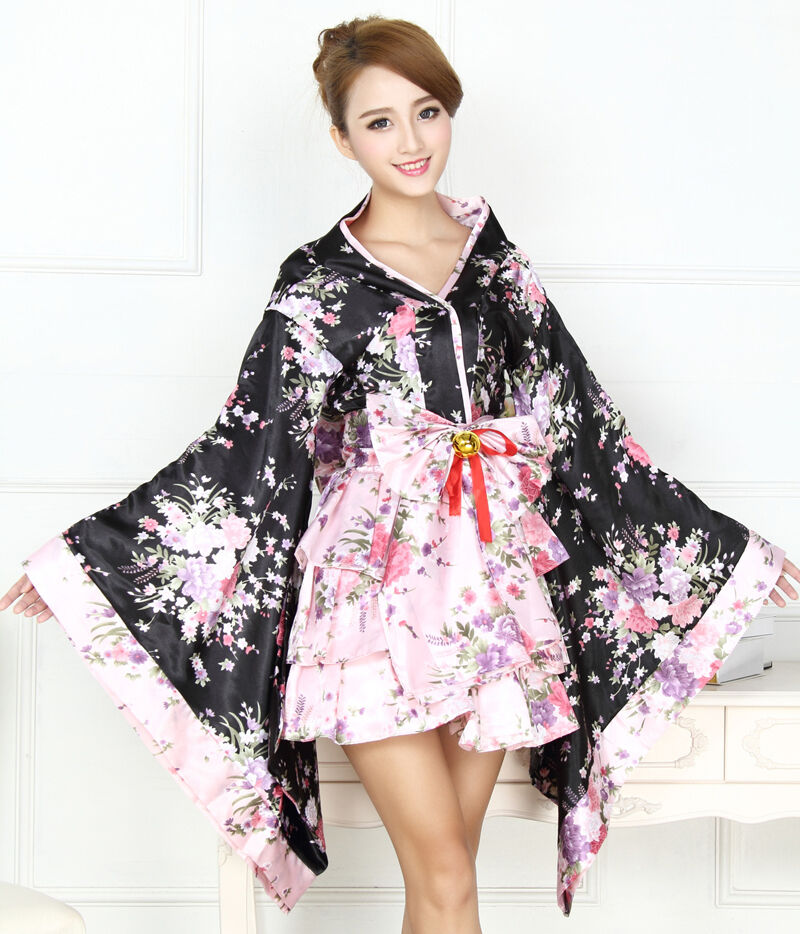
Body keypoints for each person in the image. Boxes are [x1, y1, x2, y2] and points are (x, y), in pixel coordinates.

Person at [2, 14, 798, 934]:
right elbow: (246, 443)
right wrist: (88, 562)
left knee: (444, 882)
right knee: (448, 877)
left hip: (492, 595)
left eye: (427, 111)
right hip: (369, 598)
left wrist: (726, 553)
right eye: (379, 122)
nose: (411, 140)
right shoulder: (319, 283)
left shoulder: (498, 267)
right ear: (343, 140)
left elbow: (583, 423)